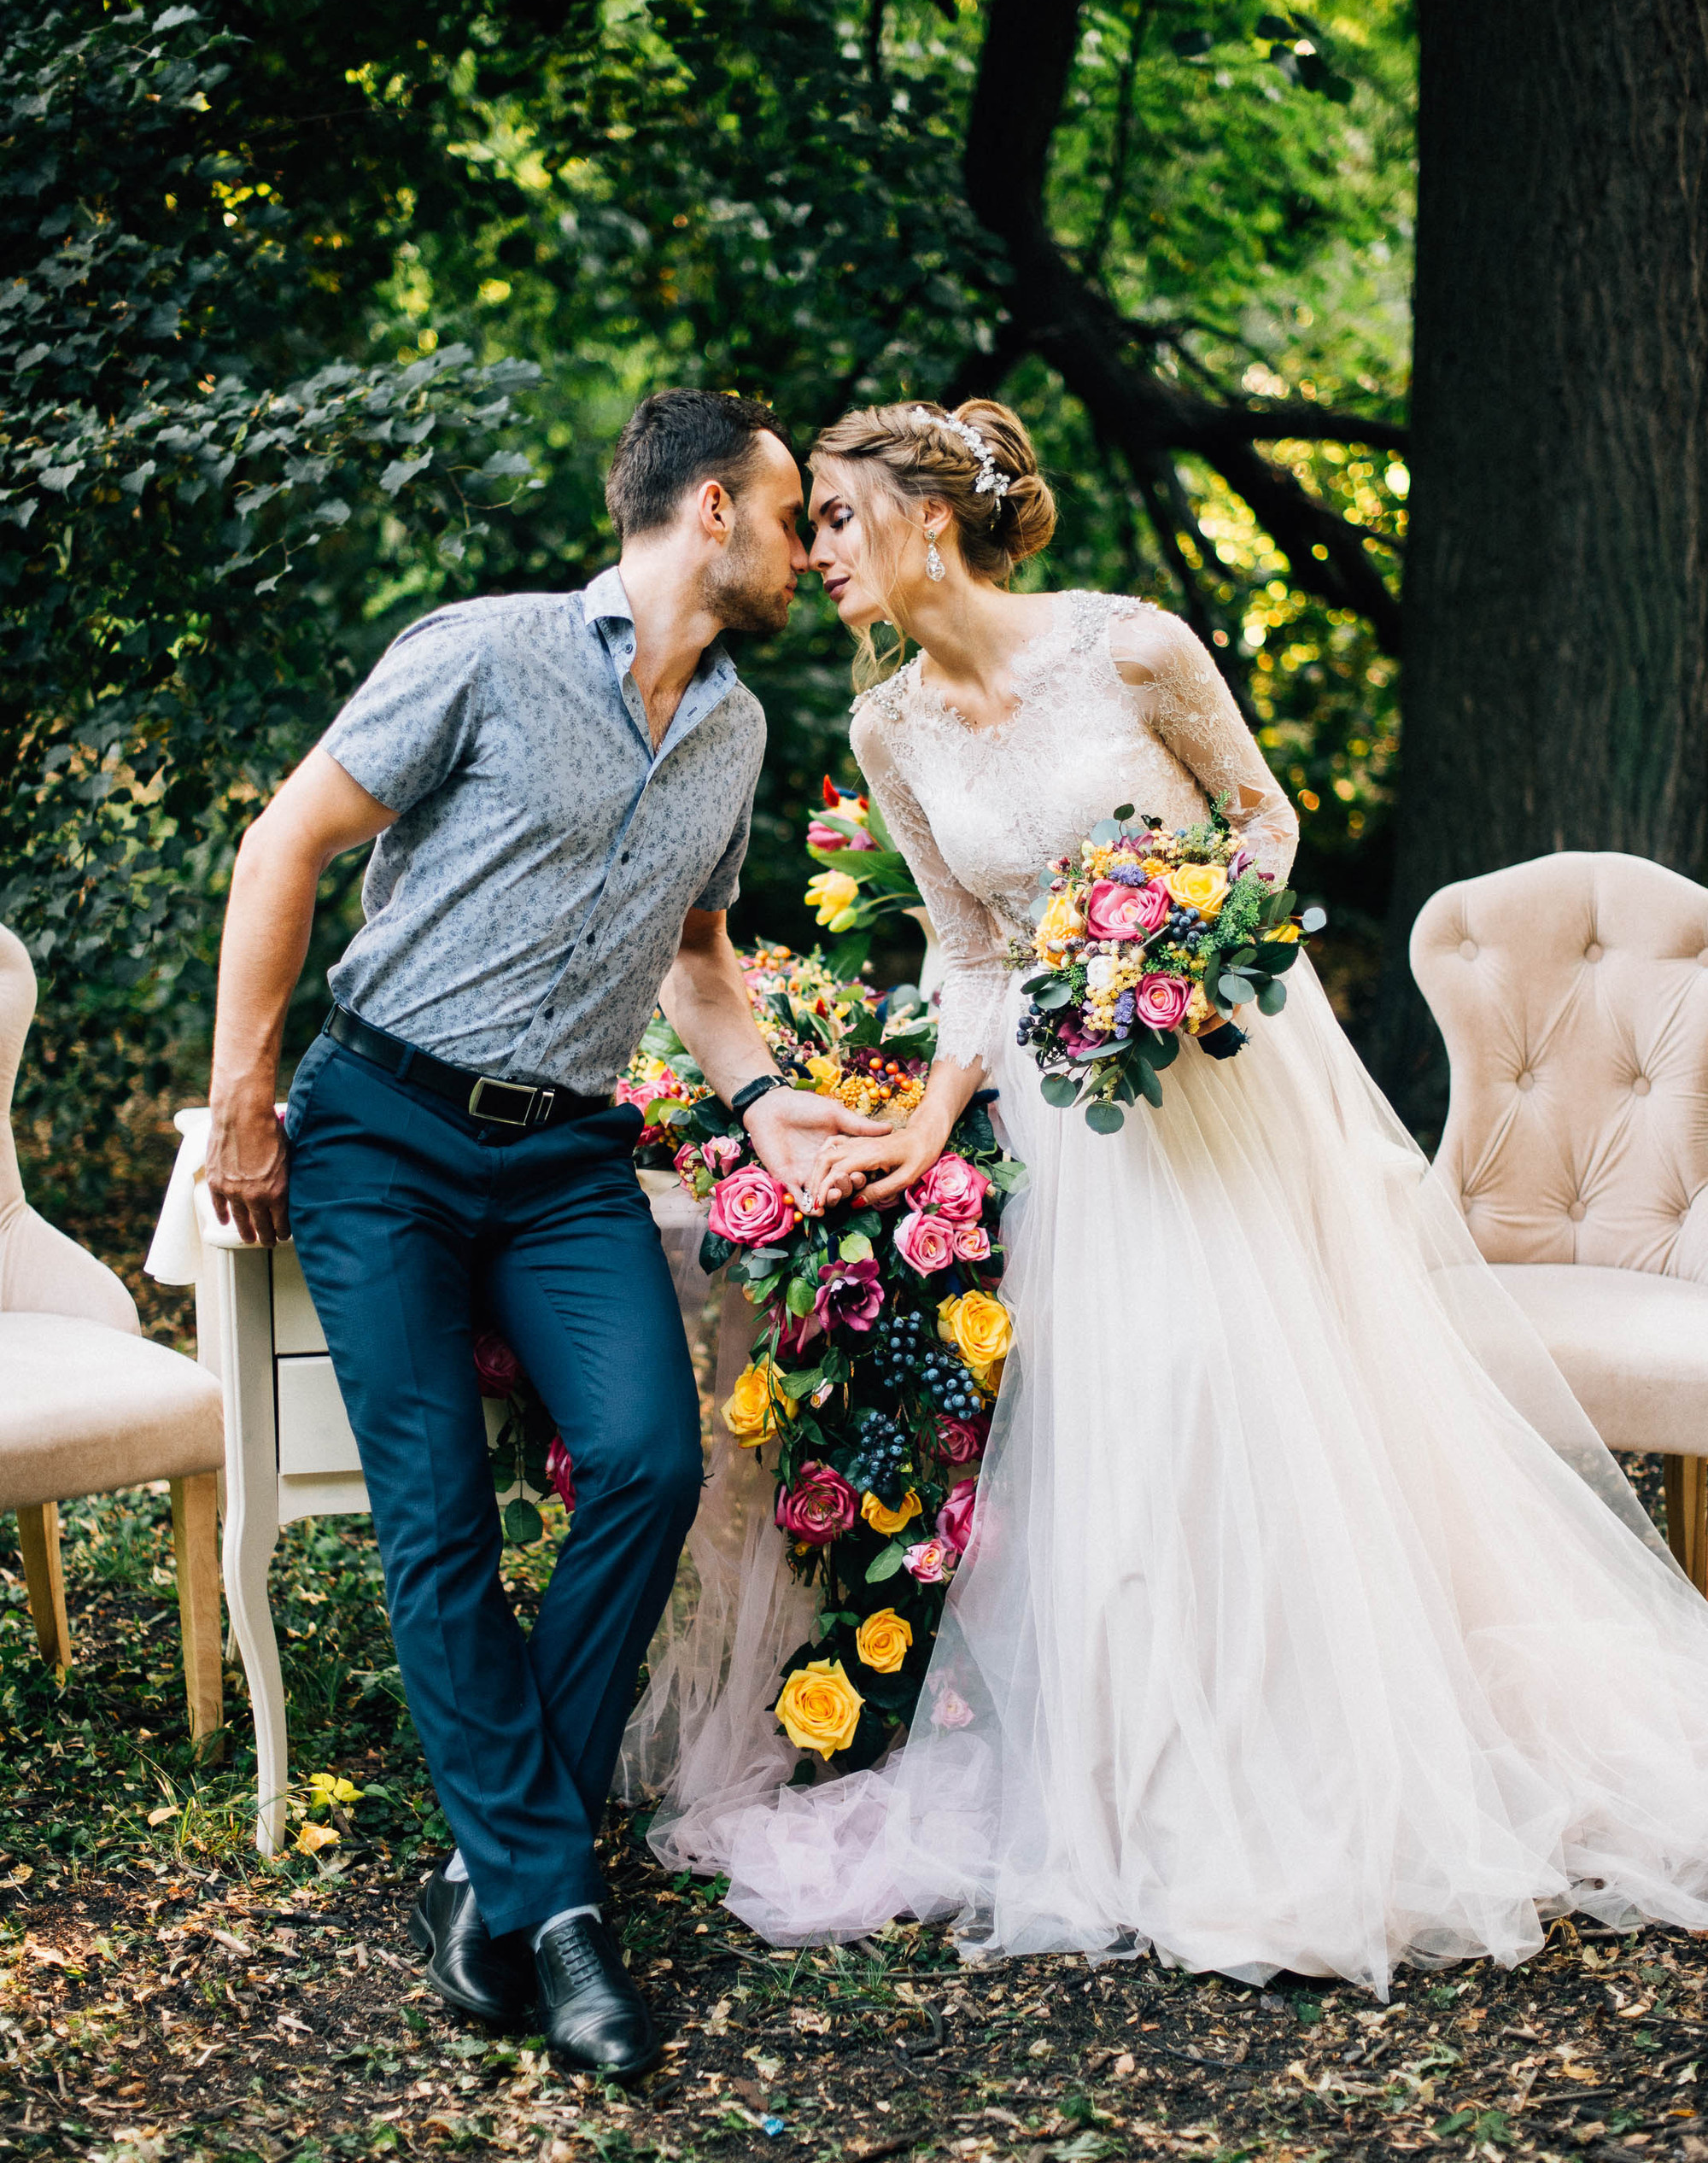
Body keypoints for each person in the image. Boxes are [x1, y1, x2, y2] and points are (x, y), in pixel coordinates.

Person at [635, 396, 1708, 1995]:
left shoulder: (1134, 649)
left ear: (929, 516)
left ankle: (1331, 1744)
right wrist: (930, 1119)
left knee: (1245, 1386)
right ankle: (1152, 1779)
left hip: (1215, 1080)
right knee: (1116, 1419)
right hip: (1059, 1118)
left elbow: (1264, 821)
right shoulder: (889, 729)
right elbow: (967, 948)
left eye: (839, 517)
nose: (819, 553)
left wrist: (1178, 955)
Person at [203, 389, 884, 2078]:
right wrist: (244, 1092)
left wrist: (762, 1102)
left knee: (648, 1460)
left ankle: (495, 1872)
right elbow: (285, 840)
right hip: (383, 1128)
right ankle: (559, 1913)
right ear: (710, 511)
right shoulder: (485, 653)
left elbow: (700, 960)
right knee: (435, 1510)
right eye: (789, 514)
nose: (806, 549)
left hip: (566, 1153)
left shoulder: (732, 729)